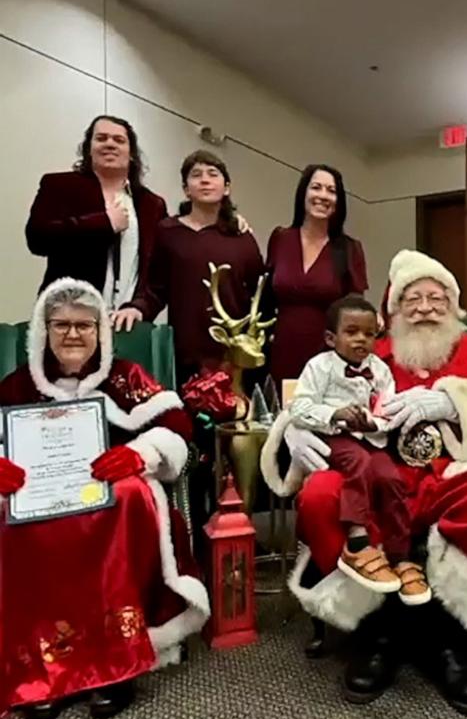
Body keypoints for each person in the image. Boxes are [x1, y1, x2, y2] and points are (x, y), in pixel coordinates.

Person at [261, 249, 467, 717]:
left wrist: (456, 405)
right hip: (381, 478)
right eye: (413, 298)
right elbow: (312, 394)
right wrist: (296, 424)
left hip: (459, 476)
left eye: (437, 297)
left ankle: (452, 638)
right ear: (392, 312)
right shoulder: (370, 355)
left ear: (455, 307)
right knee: (321, 494)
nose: (426, 307)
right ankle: (376, 632)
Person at [0, 278, 209, 719]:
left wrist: (140, 453)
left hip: (110, 502)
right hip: (43, 503)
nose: (73, 334)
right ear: (43, 329)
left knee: (133, 494)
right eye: (61, 325)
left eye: (84, 325)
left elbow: (176, 425)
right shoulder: (18, 386)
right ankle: (45, 666)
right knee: (11, 514)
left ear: (100, 330)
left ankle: (117, 661)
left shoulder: (125, 376)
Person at [290, 295, 430, 605]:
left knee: (391, 477)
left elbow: (388, 411)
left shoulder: (379, 370)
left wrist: (375, 425)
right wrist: (335, 414)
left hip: (369, 438)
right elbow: (298, 407)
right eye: (351, 332)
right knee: (359, 464)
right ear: (331, 338)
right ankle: (357, 538)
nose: (361, 340)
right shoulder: (319, 367)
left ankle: (399, 554)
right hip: (334, 438)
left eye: (368, 334)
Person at [112, 150, 265, 384]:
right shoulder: (168, 232)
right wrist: (137, 308)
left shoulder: (242, 237)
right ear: (186, 189)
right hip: (184, 354)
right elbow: (155, 288)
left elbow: (260, 295)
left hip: (232, 358)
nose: (204, 180)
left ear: (226, 188)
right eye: (196, 175)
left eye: (213, 174)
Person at [25, 116, 167, 309]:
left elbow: (159, 271)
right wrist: (104, 223)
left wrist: (140, 307)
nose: (109, 144)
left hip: (126, 324)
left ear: (131, 153)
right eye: (101, 138)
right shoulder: (58, 186)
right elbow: (37, 239)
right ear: (88, 149)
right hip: (68, 316)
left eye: (119, 140)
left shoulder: (152, 205)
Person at [266, 164, 368, 388]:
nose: (323, 196)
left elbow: (356, 310)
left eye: (331, 191)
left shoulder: (349, 248)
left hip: (327, 358)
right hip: (281, 352)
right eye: (316, 187)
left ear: (339, 201)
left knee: (322, 418)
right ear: (303, 193)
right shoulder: (280, 238)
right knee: (283, 418)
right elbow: (263, 298)